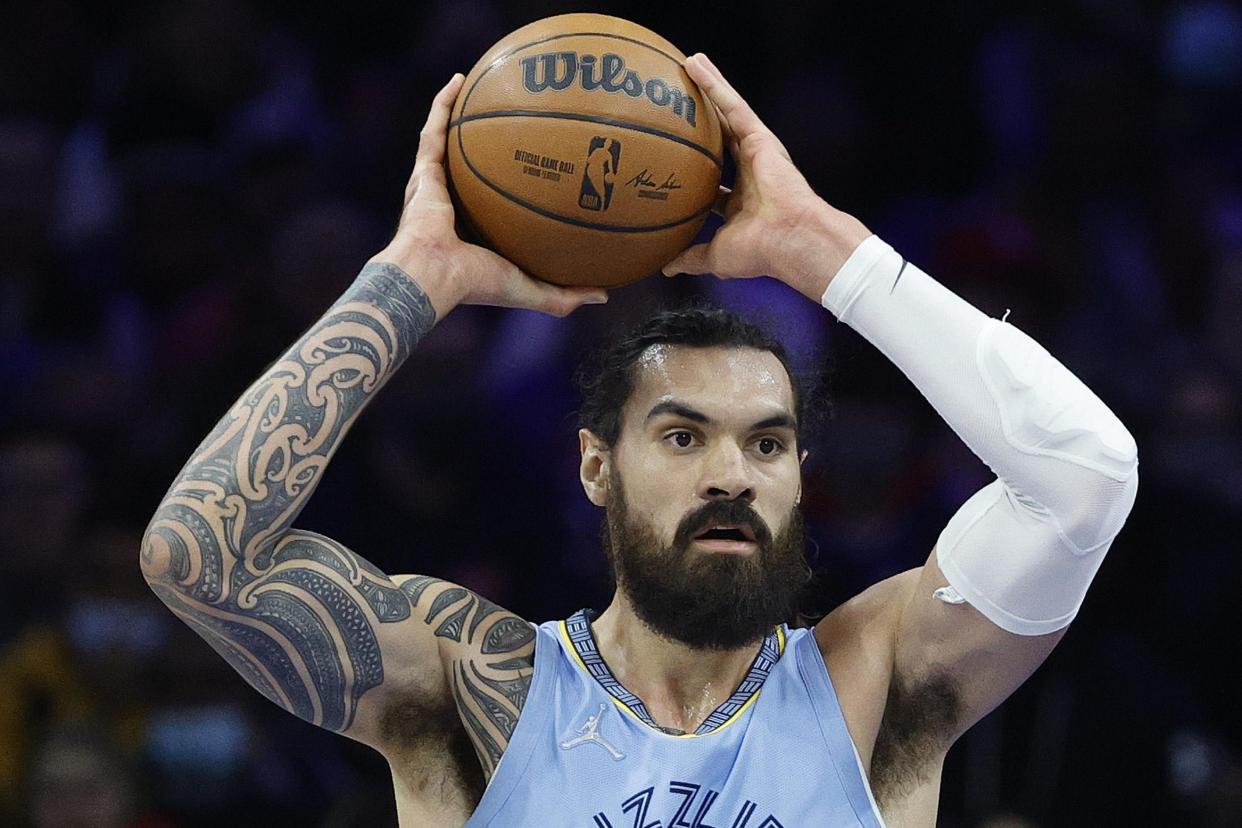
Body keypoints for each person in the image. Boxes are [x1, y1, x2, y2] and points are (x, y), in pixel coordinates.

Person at [140, 53, 1138, 827]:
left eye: (767, 445)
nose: (730, 475)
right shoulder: (474, 690)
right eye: (682, 436)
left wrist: (824, 253)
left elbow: (1087, 478)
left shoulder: (879, 680)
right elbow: (198, 557)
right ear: (595, 467)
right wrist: (412, 281)